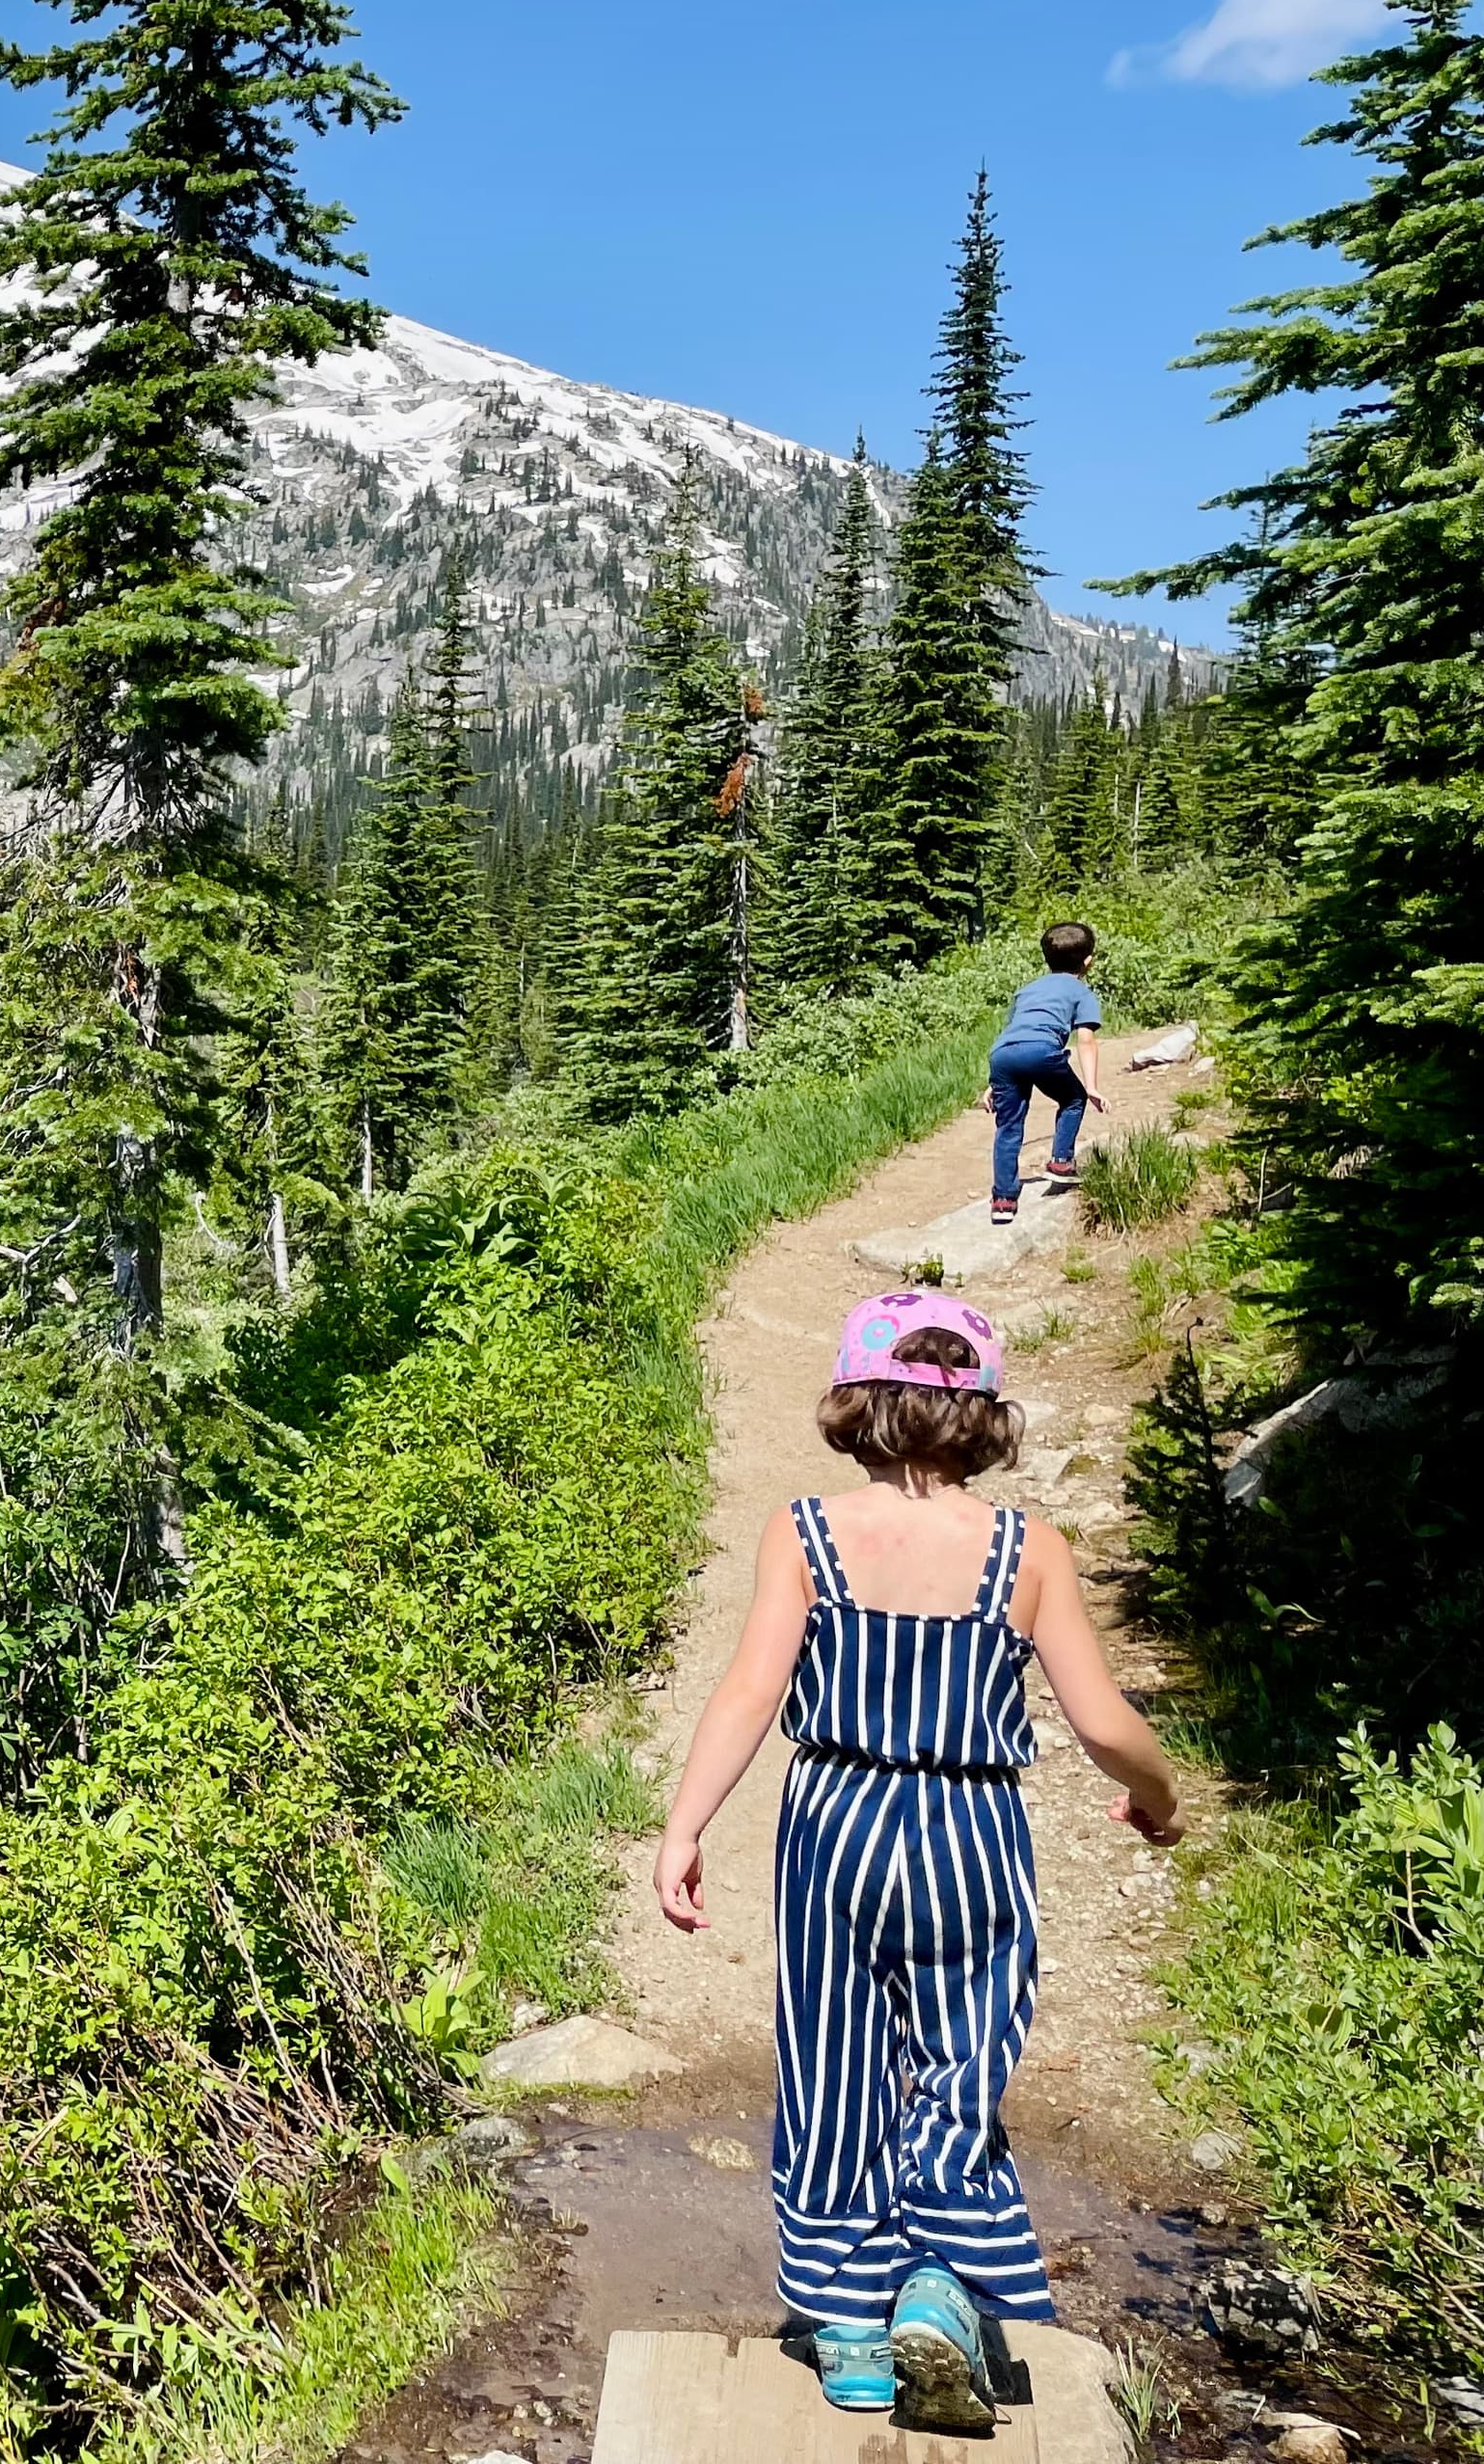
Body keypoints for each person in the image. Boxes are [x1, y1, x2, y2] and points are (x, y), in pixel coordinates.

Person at [653, 1291, 1183, 2433]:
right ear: (984, 1416)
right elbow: (1099, 1720)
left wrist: (685, 1825)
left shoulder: (803, 1532)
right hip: (970, 1832)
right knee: (959, 2059)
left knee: (834, 2068)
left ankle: (847, 2335)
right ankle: (941, 2288)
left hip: (837, 1826)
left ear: (855, 1403)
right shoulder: (1026, 1549)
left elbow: (751, 1691)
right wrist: (1158, 1795)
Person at [986, 924, 1107, 1226]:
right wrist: (1091, 1087)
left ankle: (1003, 1199)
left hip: (1002, 1056)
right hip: (1041, 1051)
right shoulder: (1081, 992)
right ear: (1088, 961)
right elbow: (1086, 1040)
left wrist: (993, 1083)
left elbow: (1013, 1033)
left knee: (1008, 1127)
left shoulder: (1027, 990)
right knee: (1073, 1098)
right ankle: (1061, 1162)